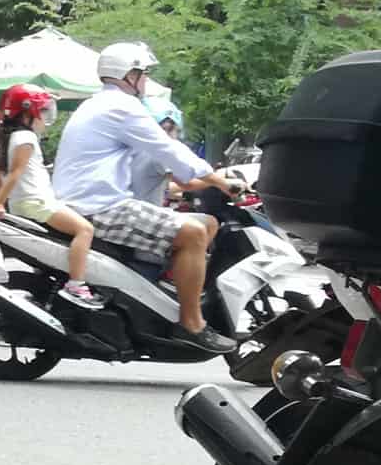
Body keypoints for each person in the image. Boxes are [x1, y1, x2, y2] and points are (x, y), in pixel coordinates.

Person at [52, 43, 240, 355]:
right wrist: (220, 181)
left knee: (206, 224)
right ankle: (192, 324)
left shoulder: (99, 104)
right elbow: (169, 150)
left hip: (92, 200)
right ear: (129, 75)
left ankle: (167, 293)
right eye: (142, 74)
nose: (145, 81)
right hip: (99, 206)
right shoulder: (121, 107)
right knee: (192, 233)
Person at [0, 84, 106, 310]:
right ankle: (77, 284)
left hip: (28, 202)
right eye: (43, 111)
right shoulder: (26, 138)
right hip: (37, 202)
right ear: (28, 112)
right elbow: (15, 173)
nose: (45, 118)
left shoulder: (10, 137)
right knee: (85, 230)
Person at [130, 96, 186, 208]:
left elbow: (155, 185)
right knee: (208, 221)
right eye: (176, 130)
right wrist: (223, 176)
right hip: (145, 216)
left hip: (130, 211)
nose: (177, 135)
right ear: (166, 128)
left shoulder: (134, 148)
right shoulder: (159, 152)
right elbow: (189, 182)